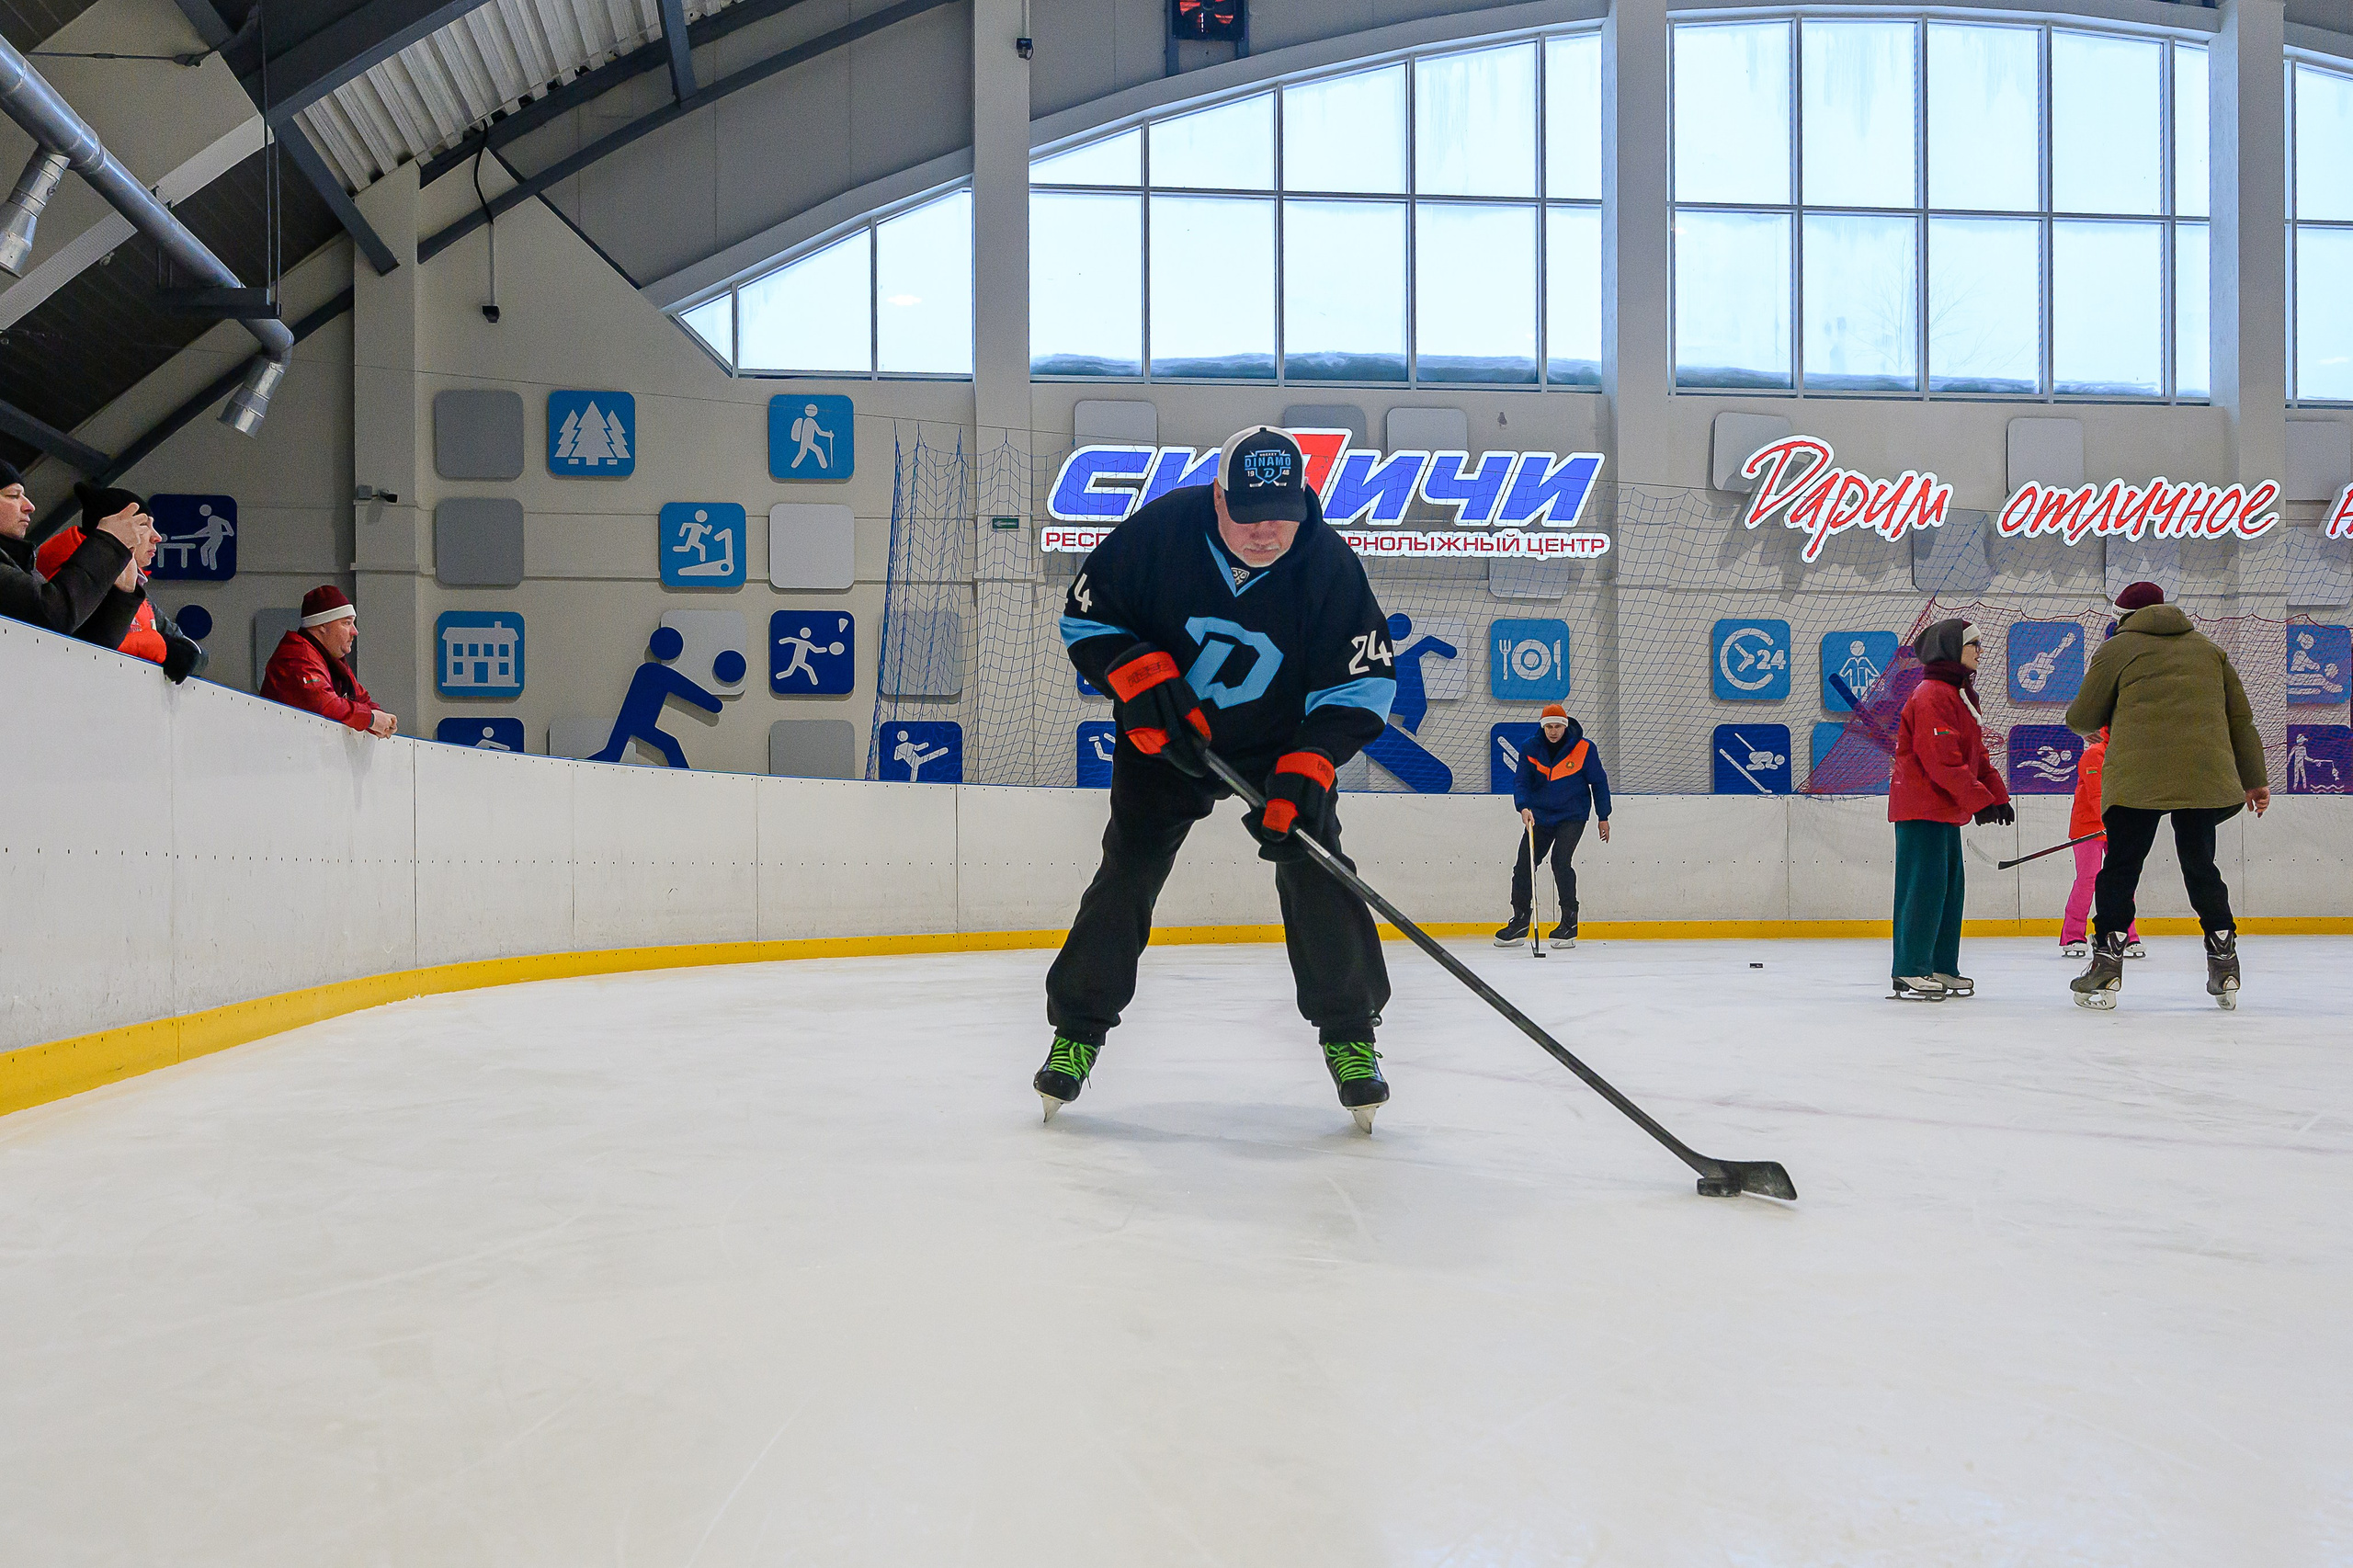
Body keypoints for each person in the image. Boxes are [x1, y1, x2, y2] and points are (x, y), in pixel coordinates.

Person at [1040, 426, 1399, 1131]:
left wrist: (1309, 763)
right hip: (1170, 737)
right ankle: (1077, 1030)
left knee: (1316, 864)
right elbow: (1087, 619)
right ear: (1216, 496)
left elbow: (1360, 684)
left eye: (1284, 516)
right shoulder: (1161, 534)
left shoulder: (1327, 565)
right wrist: (1139, 679)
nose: (1268, 532)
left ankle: (1351, 1035)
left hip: (1280, 748)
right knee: (1130, 866)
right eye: (1250, 514)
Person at [2063, 581, 2268, 1010]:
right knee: (2200, 866)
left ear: (2122, 616)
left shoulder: (2117, 648)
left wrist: (2104, 725)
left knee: (2121, 867)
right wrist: (2255, 779)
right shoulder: (2209, 650)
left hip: (2138, 778)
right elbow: (2241, 721)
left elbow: (2081, 716)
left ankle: (2106, 965)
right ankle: (2224, 963)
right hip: (2204, 776)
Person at [1886, 619, 2011, 1001]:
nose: (1979, 652)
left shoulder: (1959, 695)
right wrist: (1979, 801)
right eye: (1973, 645)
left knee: (1948, 889)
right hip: (1922, 808)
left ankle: (1941, 964)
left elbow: (1977, 755)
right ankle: (1911, 968)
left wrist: (1997, 795)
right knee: (1923, 889)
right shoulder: (1931, 695)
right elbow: (1941, 760)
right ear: (1950, 648)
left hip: (1944, 810)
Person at [36, 484, 206, 683]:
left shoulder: (139, 592)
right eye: (144, 525)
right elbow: (75, 646)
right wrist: (155, 646)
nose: (157, 537)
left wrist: (175, 652)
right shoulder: (63, 579)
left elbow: (195, 653)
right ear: (115, 528)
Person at [1495, 702, 1611, 949]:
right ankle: (1521, 920)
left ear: (1565, 726)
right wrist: (1523, 807)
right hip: (1540, 816)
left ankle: (1568, 922)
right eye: (1549, 726)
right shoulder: (1530, 748)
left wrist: (1603, 816)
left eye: (1558, 726)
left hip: (1573, 814)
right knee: (1524, 865)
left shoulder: (1584, 749)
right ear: (1543, 727)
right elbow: (1521, 782)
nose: (1553, 731)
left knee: (1560, 861)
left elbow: (1599, 782)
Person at [0, 460, 149, 644]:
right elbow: (51, 617)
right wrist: (108, 544)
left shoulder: (26, 566)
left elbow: (79, 645)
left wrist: (121, 597)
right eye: (13, 495)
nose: (29, 506)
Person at [261, 585, 396, 736]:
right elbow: (326, 705)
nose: (355, 632)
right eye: (346, 623)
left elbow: (361, 698)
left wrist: (380, 719)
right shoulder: (297, 658)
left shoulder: (332, 660)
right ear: (322, 625)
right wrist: (370, 719)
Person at [2058, 728, 2140, 960]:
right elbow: (2096, 794)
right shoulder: (2094, 754)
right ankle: (2073, 935)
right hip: (2089, 827)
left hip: (2117, 827)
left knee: (2123, 880)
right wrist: (2111, 822)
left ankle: (2126, 933)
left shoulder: (2128, 755)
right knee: (2088, 880)